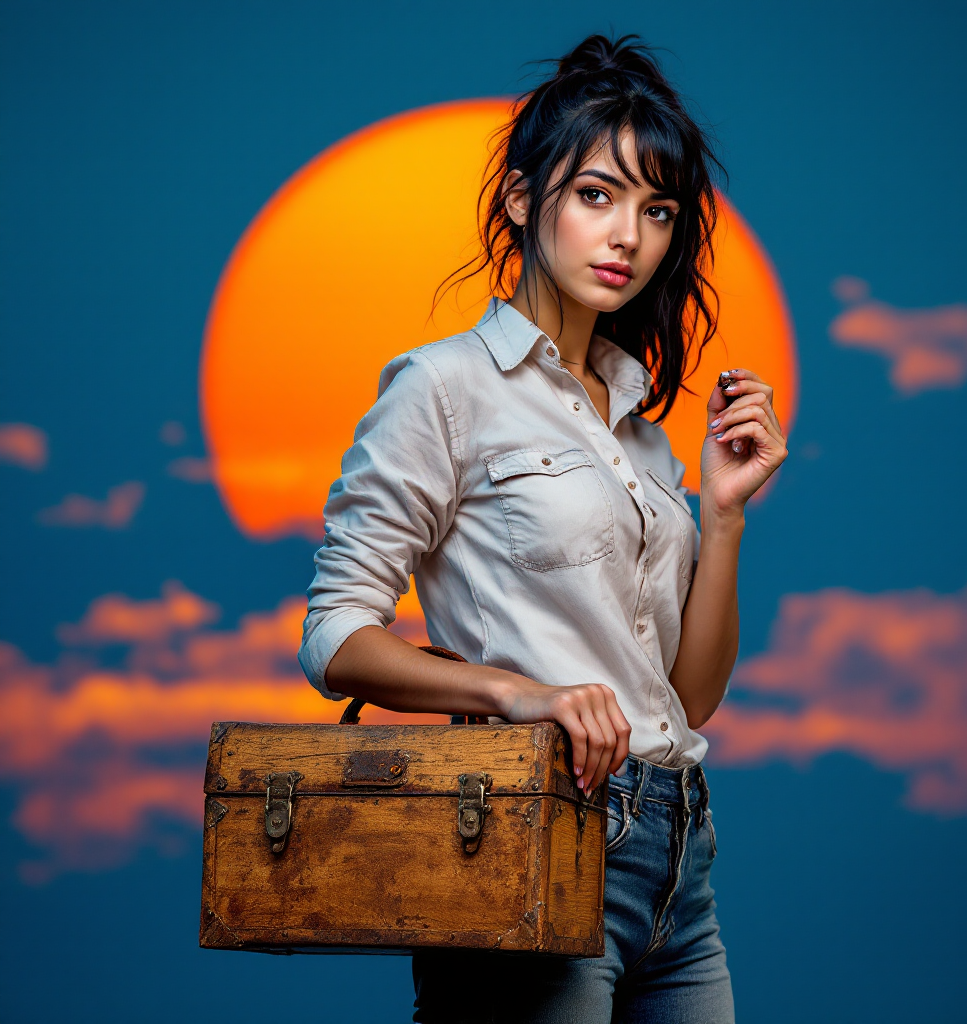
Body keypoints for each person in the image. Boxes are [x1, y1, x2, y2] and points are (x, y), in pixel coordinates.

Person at [298, 33, 787, 1024]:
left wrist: (723, 517)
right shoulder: (441, 387)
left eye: (657, 211)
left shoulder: (642, 438)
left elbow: (685, 698)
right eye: (597, 195)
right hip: (529, 839)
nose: (630, 238)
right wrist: (518, 692)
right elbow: (332, 639)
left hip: (677, 860)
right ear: (524, 199)